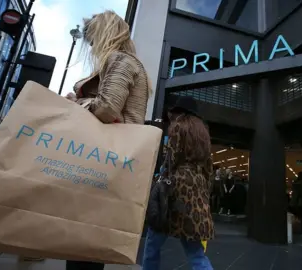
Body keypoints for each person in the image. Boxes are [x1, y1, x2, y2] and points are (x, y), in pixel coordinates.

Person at [64, 10, 151, 270]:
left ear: (104, 33)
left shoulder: (120, 60)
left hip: (101, 159)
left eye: (92, 38)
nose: (90, 46)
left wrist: (74, 103)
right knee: (90, 241)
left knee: (84, 245)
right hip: (111, 160)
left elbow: (107, 109)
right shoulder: (129, 62)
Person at [142, 96, 214, 270]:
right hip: (196, 191)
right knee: (195, 251)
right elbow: (208, 168)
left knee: (153, 243)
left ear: (179, 112)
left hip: (173, 191)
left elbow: (171, 160)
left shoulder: (177, 127)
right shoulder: (203, 133)